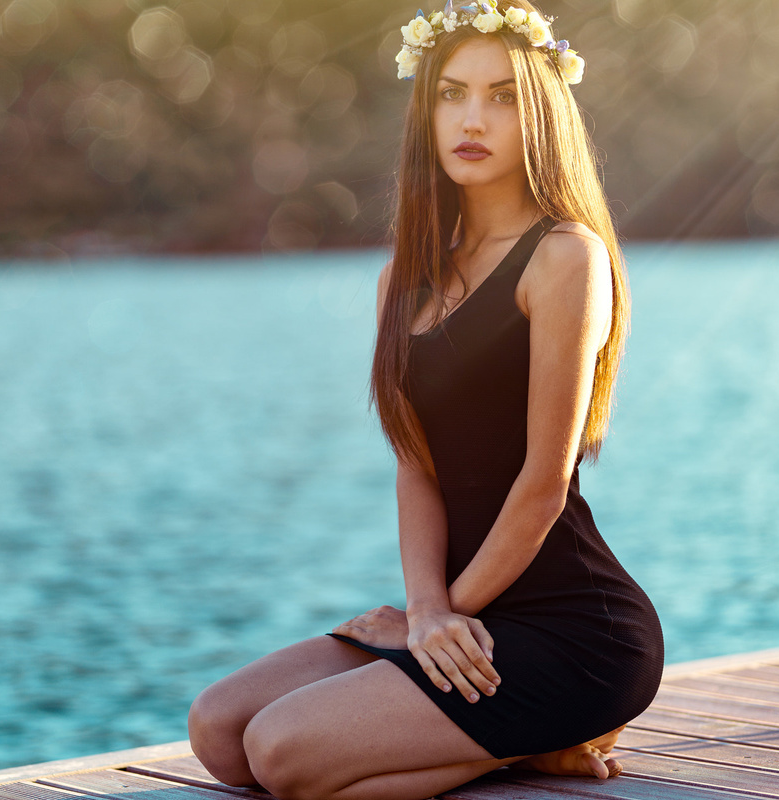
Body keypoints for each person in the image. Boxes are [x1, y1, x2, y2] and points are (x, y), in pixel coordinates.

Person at [187, 1, 664, 798]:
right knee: (220, 732)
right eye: (452, 93)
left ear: (541, 112)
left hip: (575, 629)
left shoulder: (563, 257)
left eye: (503, 95)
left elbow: (544, 482)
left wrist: (433, 623)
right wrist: (423, 609)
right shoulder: (400, 282)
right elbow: (417, 472)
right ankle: (525, 743)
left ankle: (535, 734)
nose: (472, 118)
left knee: (282, 754)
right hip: (454, 614)